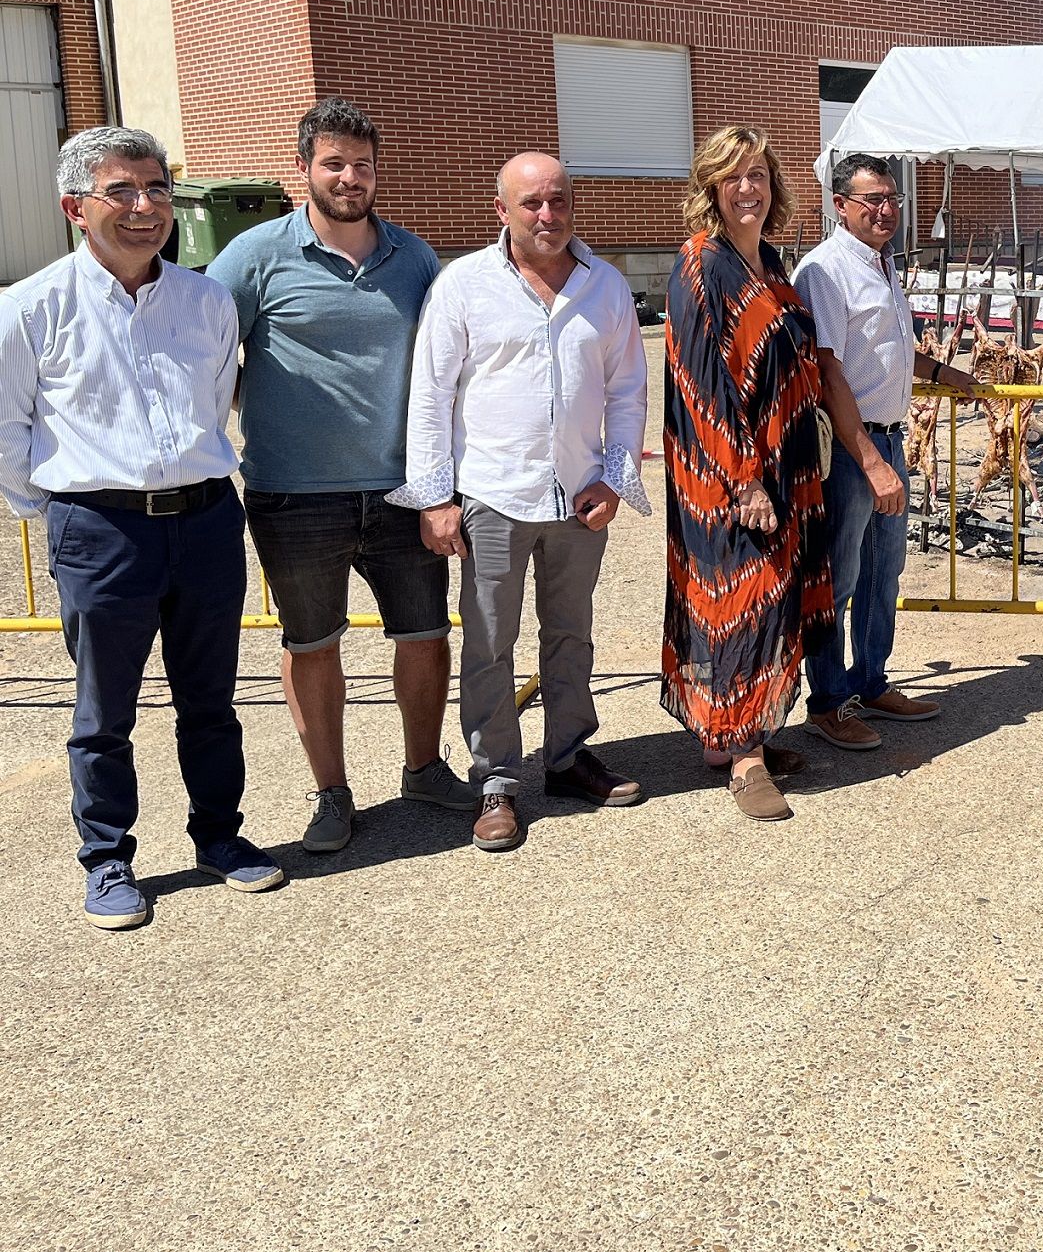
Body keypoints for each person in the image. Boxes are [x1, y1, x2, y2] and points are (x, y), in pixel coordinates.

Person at [0, 127, 282, 927]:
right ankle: (108, 859)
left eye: (156, 188)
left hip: (203, 523)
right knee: (103, 712)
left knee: (212, 700)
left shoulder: (206, 300)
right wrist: (59, 508)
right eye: (120, 191)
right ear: (73, 207)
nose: (144, 206)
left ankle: (220, 836)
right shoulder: (29, 307)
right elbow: (7, 428)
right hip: (99, 530)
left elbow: (216, 401)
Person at [206, 98, 466, 855]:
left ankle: (423, 766)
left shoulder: (414, 258)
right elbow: (207, 351)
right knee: (312, 643)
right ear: (303, 169)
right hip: (294, 496)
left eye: (362, 164)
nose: (350, 177)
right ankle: (331, 792)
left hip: (400, 491)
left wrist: (441, 482)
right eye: (333, 163)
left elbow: (445, 371)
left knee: (422, 634)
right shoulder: (254, 256)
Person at [390, 153, 649, 853]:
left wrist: (615, 477)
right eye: (531, 202)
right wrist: (434, 496)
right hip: (491, 497)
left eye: (558, 201)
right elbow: (431, 394)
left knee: (570, 634)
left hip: (578, 498)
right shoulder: (464, 285)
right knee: (489, 643)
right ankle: (497, 780)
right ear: (500, 209)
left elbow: (627, 389)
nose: (547, 215)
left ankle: (567, 758)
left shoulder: (606, 286)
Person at [661, 126, 832, 822]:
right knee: (740, 597)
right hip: (728, 473)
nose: (747, 188)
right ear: (710, 187)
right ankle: (744, 759)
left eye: (757, 173)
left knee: (773, 597)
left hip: (786, 466)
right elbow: (704, 385)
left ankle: (738, 734)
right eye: (732, 176)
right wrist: (745, 480)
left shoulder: (768, 260)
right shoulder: (701, 262)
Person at [793, 153, 976, 751]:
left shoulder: (882, 264)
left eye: (892, 198)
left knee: (883, 573)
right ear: (839, 205)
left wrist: (944, 372)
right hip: (853, 449)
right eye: (871, 199)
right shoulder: (823, 270)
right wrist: (870, 461)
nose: (885, 210)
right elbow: (828, 368)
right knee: (839, 578)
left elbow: (886, 349)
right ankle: (828, 701)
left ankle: (871, 681)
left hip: (888, 438)